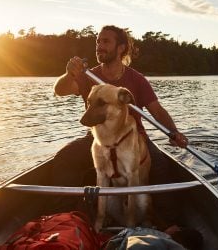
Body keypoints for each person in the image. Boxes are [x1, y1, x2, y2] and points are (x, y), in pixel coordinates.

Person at [51, 25, 188, 222]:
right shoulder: (88, 76)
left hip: (133, 138)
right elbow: (60, 90)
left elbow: (156, 110)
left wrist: (173, 133)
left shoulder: (137, 79)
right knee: (64, 159)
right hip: (98, 139)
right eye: (98, 41)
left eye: (106, 41)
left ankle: (167, 224)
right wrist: (69, 74)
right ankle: (64, 219)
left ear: (121, 48)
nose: (99, 46)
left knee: (161, 166)